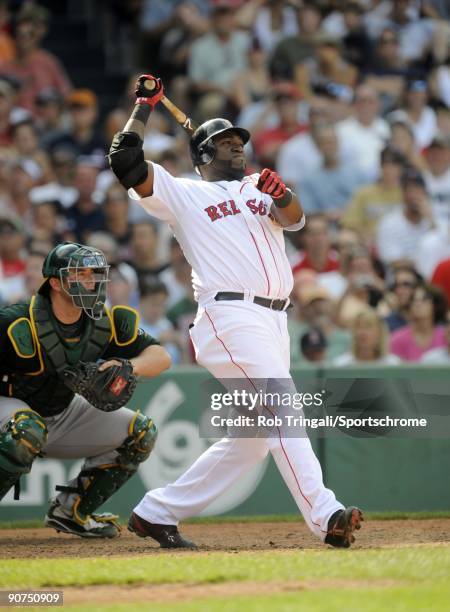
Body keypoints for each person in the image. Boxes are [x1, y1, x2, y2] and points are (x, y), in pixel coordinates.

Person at [108, 73, 363, 550]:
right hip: (229, 316)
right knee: (283, 407)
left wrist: (281, 193)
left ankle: (156, 512)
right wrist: (144, 105)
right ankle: (326, 513)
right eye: (225, 142)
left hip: (274, 320)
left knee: (251, 440)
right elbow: (124, 161)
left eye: (238, 140)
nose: (236, 146)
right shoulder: (183, 193)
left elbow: (298, 220)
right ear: (203, 153)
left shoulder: (257, 189)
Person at [0, 241, 171, 537]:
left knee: (141, 433)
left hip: (60, 413)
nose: (91, 280)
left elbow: (161, 357)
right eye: (81, 273)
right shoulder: (16, 322)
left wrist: (129, 367)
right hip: (9, 407)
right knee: (26, 429)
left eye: (95, 273)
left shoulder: (104, 322)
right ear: (55, 282)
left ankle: (71, 512)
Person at [390, 283, 447, 362]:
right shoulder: (397, 339)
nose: (418, 304)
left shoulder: (446, 336)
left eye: (424, 299)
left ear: (436, 305)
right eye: (414, 300)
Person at [333, 309, 401, 366]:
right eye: (358, 327)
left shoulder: (392, 364)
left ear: (380, 333)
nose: (362, 332)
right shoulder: (342, 365)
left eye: (368, 327)